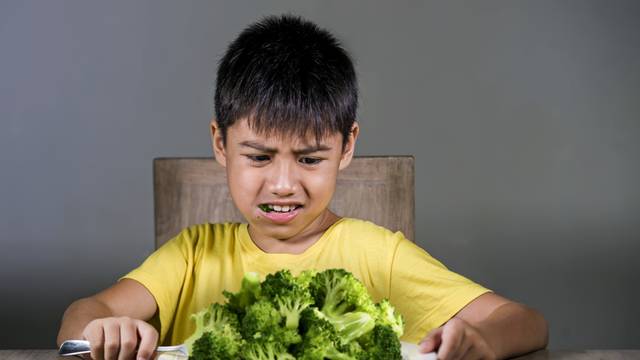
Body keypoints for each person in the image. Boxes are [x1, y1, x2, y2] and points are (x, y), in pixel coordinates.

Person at [57, 14, 548, 360]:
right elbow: (82, 315)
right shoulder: (191, 256)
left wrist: (480, 342)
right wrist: (104, 330)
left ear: (347, 146)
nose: (284, 184)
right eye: (258, 157)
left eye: (310, 158)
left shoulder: (379, 255)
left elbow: (525, 322)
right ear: (220, 143)